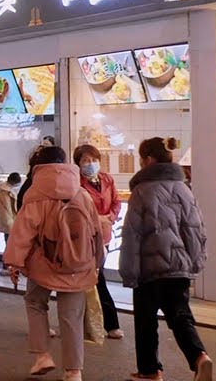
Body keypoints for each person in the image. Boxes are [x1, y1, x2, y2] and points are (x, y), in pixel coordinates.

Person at [4, 146, 109, 381]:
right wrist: (97, 262)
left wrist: (14, 263)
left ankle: (42, 356)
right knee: (71, 316)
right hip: (78, 265)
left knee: (35, 301)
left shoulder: (34, 195)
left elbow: (22, 233)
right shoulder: (81, 194)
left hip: (44, 263)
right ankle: (73, 371)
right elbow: (95, 232)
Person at [120, 137, 212, 381]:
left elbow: (132, 235)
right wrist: (194, 261)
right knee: (180, 315)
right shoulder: (184, 188)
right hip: (179, 268)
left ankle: (150, 371)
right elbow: (195, 228)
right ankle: (199, 356)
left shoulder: (141, 190)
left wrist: (128, 272)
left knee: (146, 321)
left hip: (149, 270)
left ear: (148, 160)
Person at [73, 144, 122, 339]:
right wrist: (96, 219)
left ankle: (90, 324)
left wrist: (110, 217)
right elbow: (76, 209)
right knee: (96, 278)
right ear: (78, 163)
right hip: (87, 237)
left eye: (93, 160)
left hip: (106, 234)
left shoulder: (107, 179)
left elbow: (116, 202)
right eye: (85, 161)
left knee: (96, 278)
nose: (90, 164)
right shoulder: (75, 183)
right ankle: (110, 324)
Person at [0, 172, 22, 276]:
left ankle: (10, 266)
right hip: (10, 224)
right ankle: (8, 267)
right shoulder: (6, 192)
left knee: (9, 245)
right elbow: (8, 211)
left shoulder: (6, 190)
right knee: (10, 246)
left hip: (10, 223)